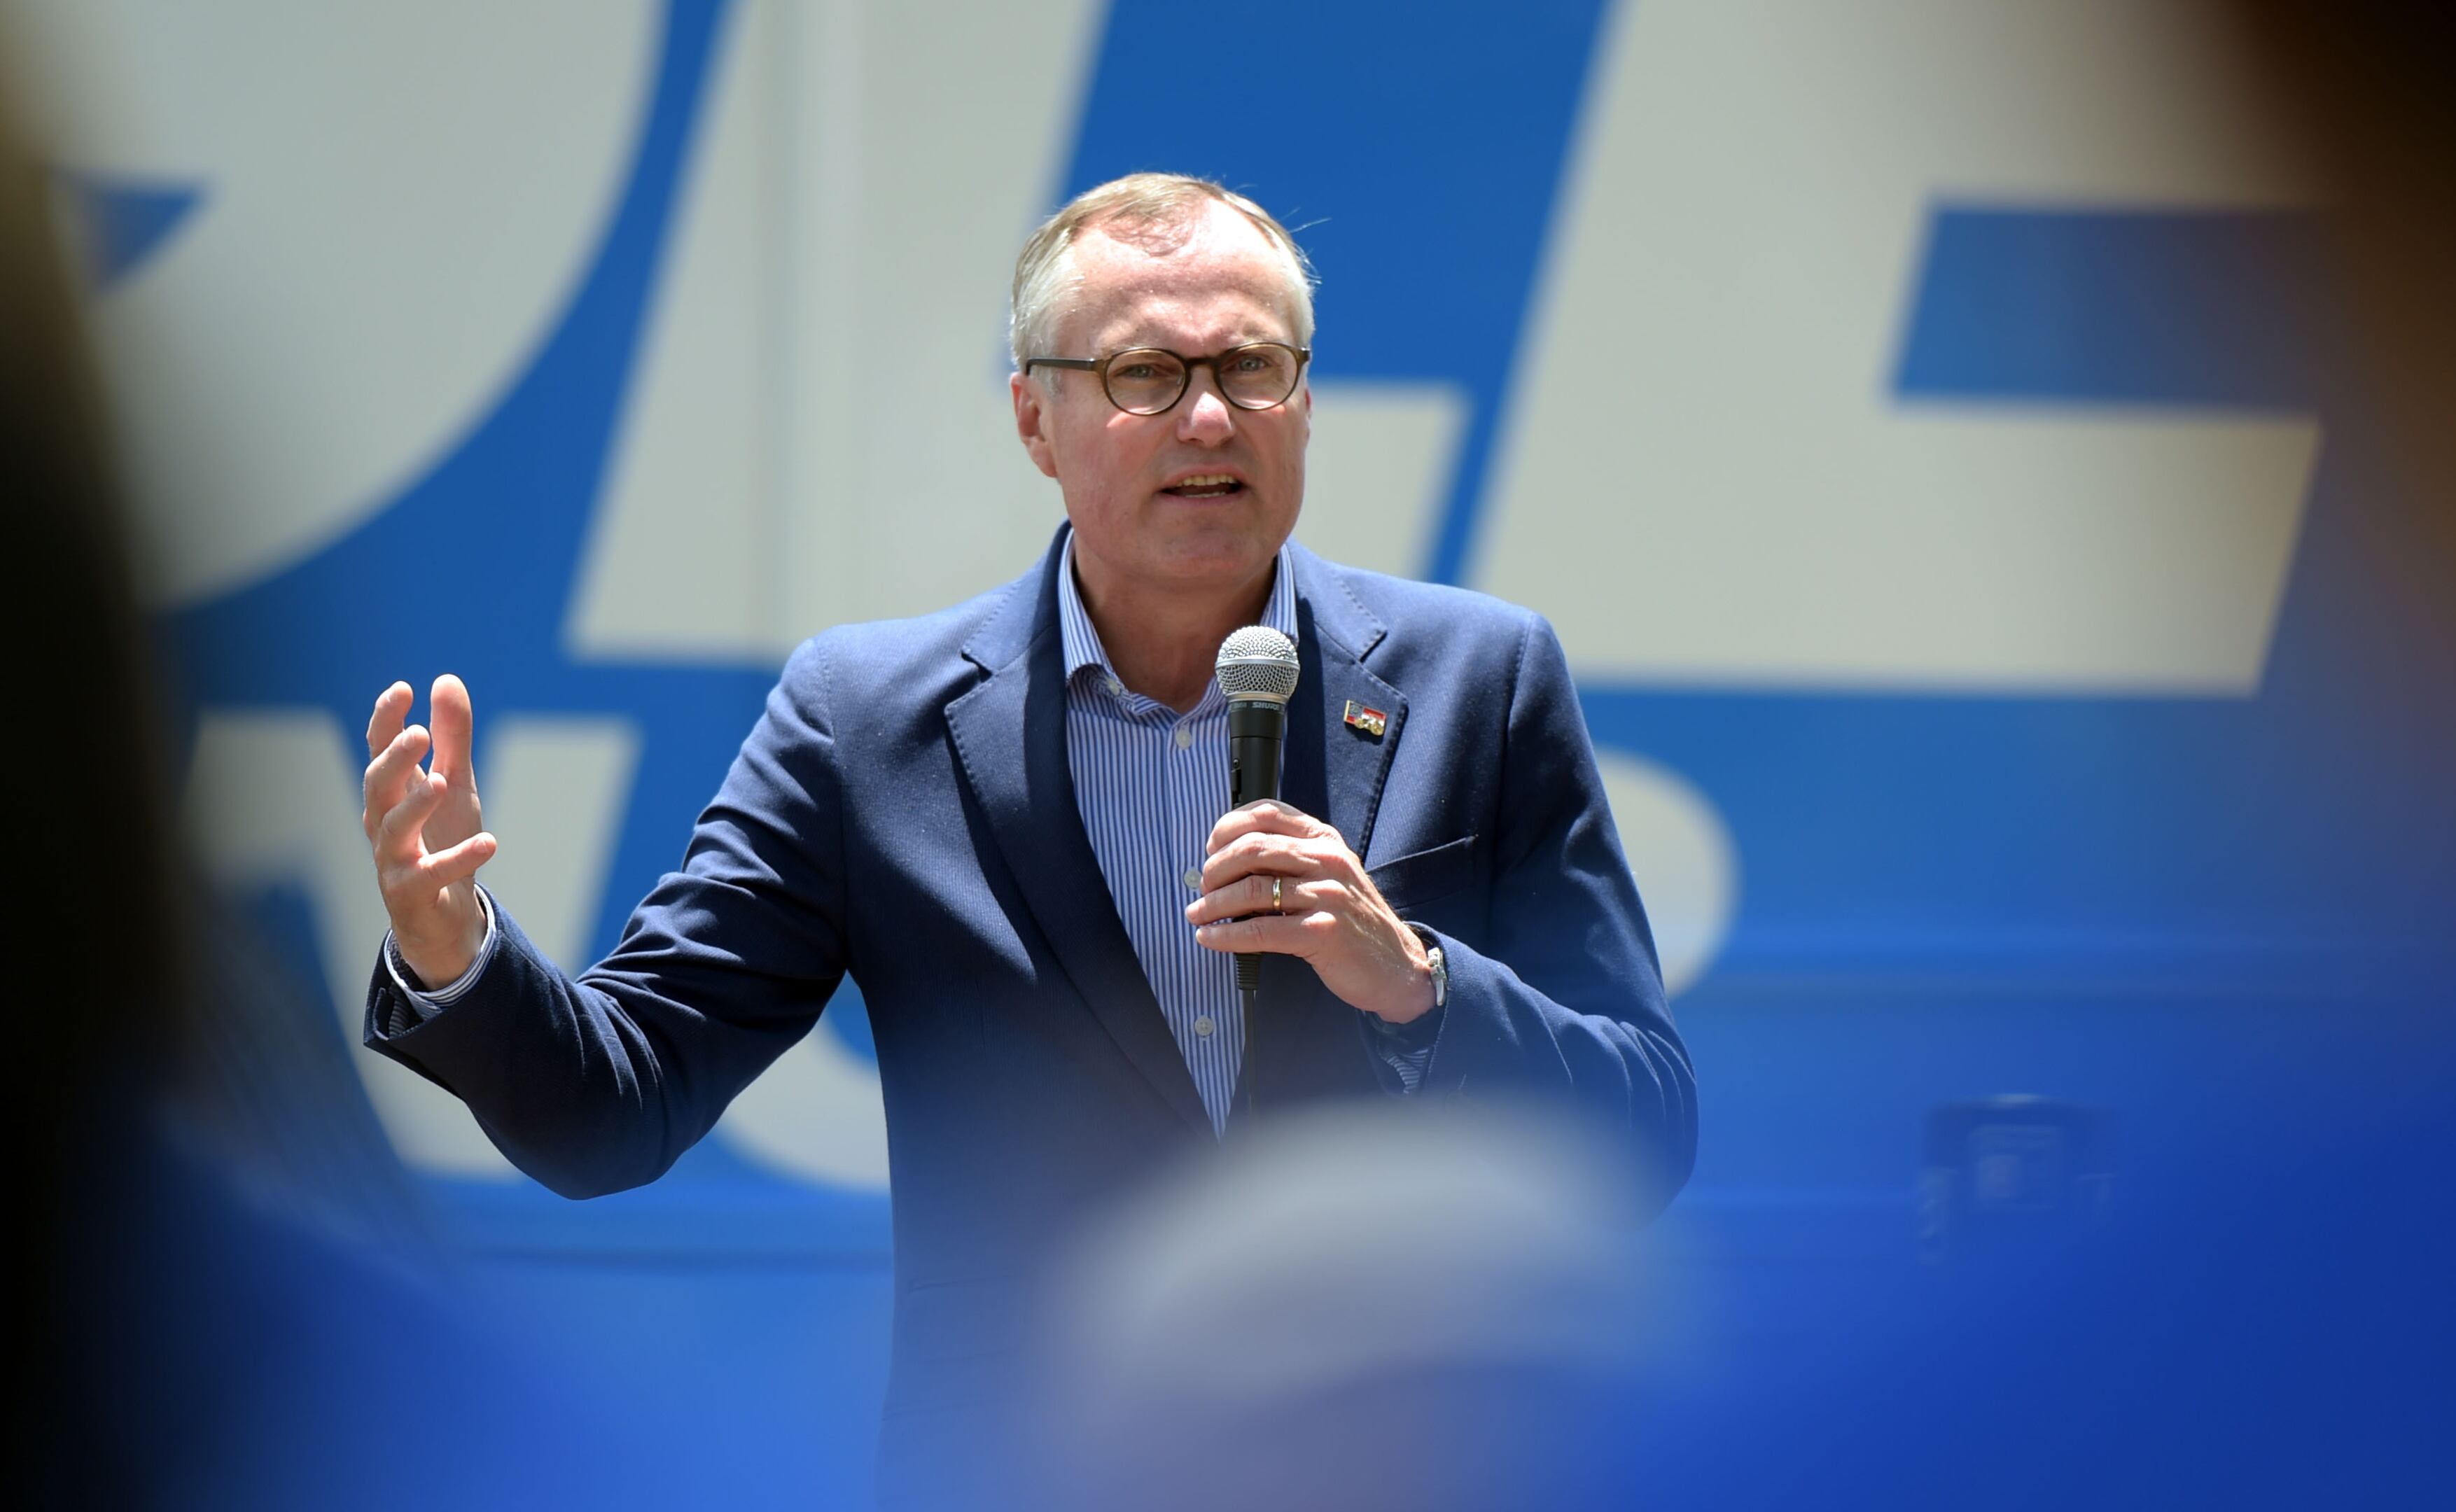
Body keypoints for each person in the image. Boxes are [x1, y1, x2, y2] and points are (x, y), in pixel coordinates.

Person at [354, 172, 1694, 1490]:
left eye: (1252, 366)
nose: (1209, 416)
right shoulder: (864, 721)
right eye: (1143, 374)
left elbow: (1641, 1131)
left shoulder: (1482, 680)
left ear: (1305, 400)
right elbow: (613, 1109)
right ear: (1034, 420)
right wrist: (454, 953)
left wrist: (1417, 985)